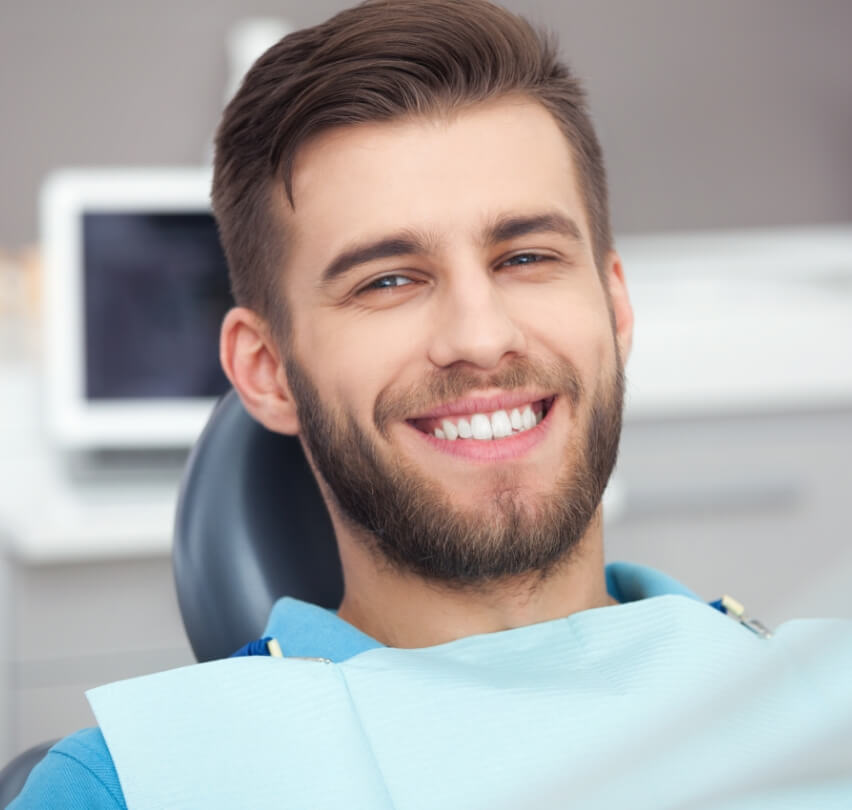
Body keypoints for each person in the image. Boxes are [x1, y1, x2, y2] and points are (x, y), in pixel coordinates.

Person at [12, 1, 852, 807]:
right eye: (388, 279)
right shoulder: (133, 788)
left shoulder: (821, 709)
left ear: (614, 305)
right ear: (266, 370)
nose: (481, 338)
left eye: (525, 257)